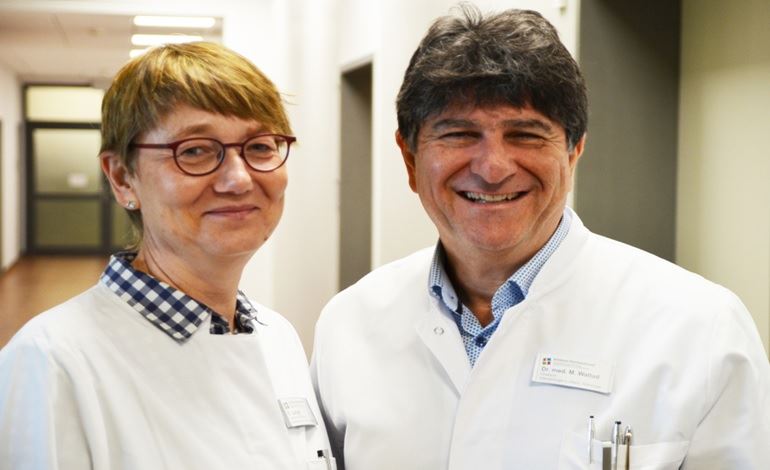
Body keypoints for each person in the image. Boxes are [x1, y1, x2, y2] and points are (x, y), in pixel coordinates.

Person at [311, 6, 770, 470]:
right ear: (410, 159)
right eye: (459, 134)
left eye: (526, 135)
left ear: (574, 152)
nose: (493, 168)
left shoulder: (701, 329)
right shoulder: (349, 325)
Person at [0, 42, 333, 469]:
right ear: (123, 178)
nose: (239, 179)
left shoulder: (278, 337)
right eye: (194, 150)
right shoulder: (51, 362)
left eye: (260, 147)